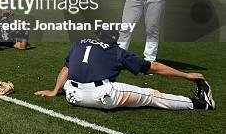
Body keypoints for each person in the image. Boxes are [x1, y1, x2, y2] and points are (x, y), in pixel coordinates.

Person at [34, 29, 215, 111]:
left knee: (74, 77)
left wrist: (54, 91)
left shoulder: (79, 43)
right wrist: (186, 75)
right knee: (152, 96)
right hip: (101, 96)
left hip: (72, 95)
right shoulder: (116, 51)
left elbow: (66, 68)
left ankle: (63, 90)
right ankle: (200, 104)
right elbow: (152, 67)